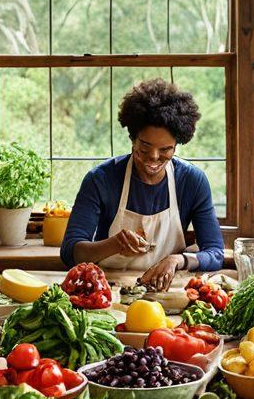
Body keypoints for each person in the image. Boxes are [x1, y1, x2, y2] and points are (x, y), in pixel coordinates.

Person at [60, 78, 224, 290]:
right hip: (108, 290)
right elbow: (70, 252)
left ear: (177, 145)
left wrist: (177, 260)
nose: (153, 158)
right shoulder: (101, 180)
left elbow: (215, 252)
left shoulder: (192, 181)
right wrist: (114, 245)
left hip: (167, 290)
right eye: (144, 148)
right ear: (132, 137)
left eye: (165, 149)